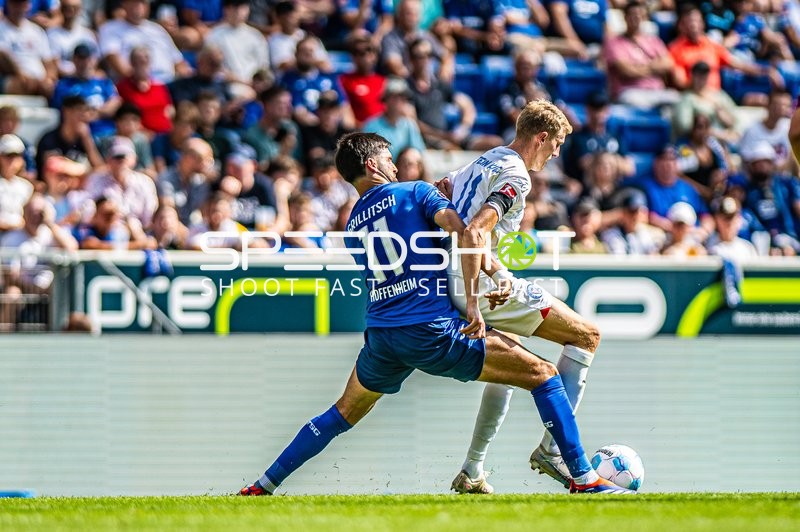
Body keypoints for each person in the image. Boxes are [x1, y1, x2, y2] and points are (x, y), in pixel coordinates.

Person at [238, 131, 633, 496]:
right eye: (389, 159)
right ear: (373, 165)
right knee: (544, 375)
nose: (395, 165)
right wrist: (491, 283)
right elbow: (466, 233)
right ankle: (583, 477)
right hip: (430, 328)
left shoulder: (353, 220)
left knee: (340, 413)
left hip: (381, 336)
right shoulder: (414, 192)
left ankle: (263, 485)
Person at [433, 100, 609, 494]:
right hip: (475, 286)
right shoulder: (517, 175)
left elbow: (442, 189)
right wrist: (478, 298)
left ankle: (472, 470)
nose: (557, 153)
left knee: (513, 369)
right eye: (557, 143)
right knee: (586, 336)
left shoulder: (485, 159)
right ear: (541, 137)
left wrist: (491, 267)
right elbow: (475, 232)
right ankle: (553, 450)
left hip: (459, 275)